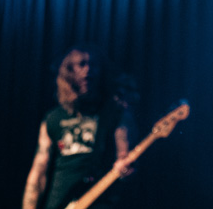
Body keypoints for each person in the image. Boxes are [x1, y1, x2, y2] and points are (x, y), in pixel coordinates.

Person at [23, 45, 135, 209]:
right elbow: (39, 171)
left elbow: (124, 153)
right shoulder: (53, 118)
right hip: (60, 202)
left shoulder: (115, 113)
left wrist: (125, 167)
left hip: (99, 200)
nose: (88, 69)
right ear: (69, 71)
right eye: (81, 64)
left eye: (93, 65)